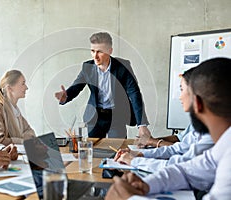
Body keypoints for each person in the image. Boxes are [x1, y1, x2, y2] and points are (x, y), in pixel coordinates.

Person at [105, 57, 231, 200]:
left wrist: (129, 198)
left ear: (197, 103)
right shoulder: (226, 141)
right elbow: (186, 171)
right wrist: (146, 185)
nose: (180, 97)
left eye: (182, 90)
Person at [114, 67, 214, 172]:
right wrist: (137, 154)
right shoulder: (200, 124)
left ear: (196, 95)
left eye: (182, 90)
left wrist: (134, 160)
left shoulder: (212, 133)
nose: (180, 97)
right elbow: (178, 148)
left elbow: (180, 165)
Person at [55, 32, 150, 138]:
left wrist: (142, 124)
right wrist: (65, 97)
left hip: (116, 116)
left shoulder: (123, 67)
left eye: (99, 52)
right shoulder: (88, 67)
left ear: (110, 51)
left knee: (117, 152)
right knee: (93, 151)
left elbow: (134, 93)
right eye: (92, 51)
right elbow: (76, 87)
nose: (95, 56)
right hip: (94, 117)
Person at [0, 70, 35, 145]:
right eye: (23, 84)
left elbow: (31, 134)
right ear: (9, 88)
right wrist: (22, 141)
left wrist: (13, 140)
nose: (26, 87)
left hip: (15, 155)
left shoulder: (16, 112)